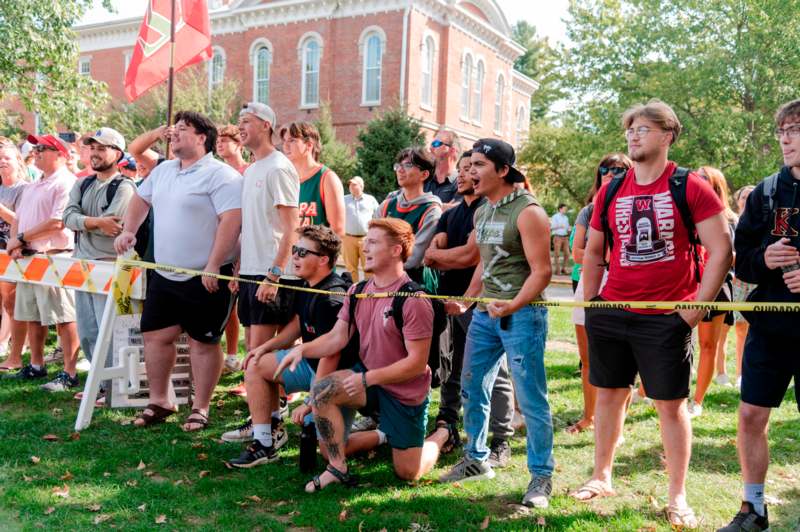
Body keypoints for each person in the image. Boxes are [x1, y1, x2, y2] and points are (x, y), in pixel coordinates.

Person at [573, 100, 731, 530]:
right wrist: (593, 300)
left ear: (667, 135)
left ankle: (677, 496)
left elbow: (722, 248)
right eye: (630, 129)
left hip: (666, 317)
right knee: (608, 394)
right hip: (613, 309)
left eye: (643, 128)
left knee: (670, 406)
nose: (633, 136)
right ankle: (601, 476)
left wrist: (694, 310)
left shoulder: (688, 186)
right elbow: (594, 249)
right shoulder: (612, 189)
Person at [274, 218, 453, 491]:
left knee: (408, 472)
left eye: (372, 242)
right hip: (369, 382)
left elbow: (416, 364)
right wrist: (302, 348)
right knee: (323, 390)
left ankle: (442, 433)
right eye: (365, 241)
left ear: (395, 250)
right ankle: (337, 468)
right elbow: (337, 337)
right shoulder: (357, 291)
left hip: (404, 391)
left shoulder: (414, 300)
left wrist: (367, 378)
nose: (364, 248)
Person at [439, 139, 555, 510]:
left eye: (479, 165)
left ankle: (541, 475)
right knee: (472, 385)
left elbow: (543, 271)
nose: (470, 171)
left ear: (503, 171)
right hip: (486, 316)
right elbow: (482, 265)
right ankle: (476, 458)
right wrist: (470, 300)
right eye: (468, 164)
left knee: (532, 398)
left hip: (523, 315)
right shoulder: (482, 211)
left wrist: (514, 305)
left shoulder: (529, 212)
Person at [114, 111, 242, 431]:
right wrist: (129, 230)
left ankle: (200, 407)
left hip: (207, 274)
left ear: (202, 138)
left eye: (183, 130)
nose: (174, 134)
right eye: (174, 130)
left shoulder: (221, 175)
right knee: (156, 336)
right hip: (163, 272)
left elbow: (231, 221)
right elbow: (141, 201)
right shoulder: (163, 170)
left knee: (203, 341)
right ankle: (160, 401)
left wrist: (214, 265)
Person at [228, 225, 381, 466]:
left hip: (337, 374)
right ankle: (264, 443)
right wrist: (265, 347)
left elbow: (332, 354)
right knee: (256, 364)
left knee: (328, 450)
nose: (295, 257)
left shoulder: (332, 298)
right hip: (311, 365)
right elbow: (298, 324)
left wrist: (311, 401)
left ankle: (384, 435)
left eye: (302, 252)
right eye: (295, 250)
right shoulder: (305, 283)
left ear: (323, 260)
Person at [718, 99, 800, 532]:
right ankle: (754, 509)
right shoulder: (768, 192)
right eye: (781, 130)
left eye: (795, 128)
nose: (785, 138)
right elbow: (740, 261)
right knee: (751, 416)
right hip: (770, 326)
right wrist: (764, 258)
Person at [422, 150, 515, 467]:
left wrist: (446, 255)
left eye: (470, 168)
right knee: (451, 366)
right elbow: (431, 253)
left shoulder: (488, 210)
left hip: (479, 302)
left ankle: (501, 440)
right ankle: (447, 423)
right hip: (449, 301)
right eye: (460, 169)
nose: (462, 175)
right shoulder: (450, 214)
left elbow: (469, 257)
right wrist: (447, 254)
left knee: (494, 372)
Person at [63, 127, 136, 402]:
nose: (94, 153)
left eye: (101, 148)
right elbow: (68, 216)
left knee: (111, 329)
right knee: (88, 329)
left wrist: (83, 221)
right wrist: (93, 223)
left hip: (109, 268)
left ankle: (115, 386)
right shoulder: (82, 184)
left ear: (117, 154)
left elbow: (113, 223)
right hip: (82, 266)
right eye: (91, 147)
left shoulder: (125, 187)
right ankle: (100, 383)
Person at [4, 134, 81, 392]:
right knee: (32, 314)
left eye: (43, 148)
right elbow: (19, 217)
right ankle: (36, 365)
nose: (36, 152)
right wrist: (15, 241)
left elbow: (58, 222)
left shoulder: (66, 182)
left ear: (60, 154)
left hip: (56, 255)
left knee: (64, 315)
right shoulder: (33, 184)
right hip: (29, 256)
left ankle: (69, 372)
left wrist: (21, 238)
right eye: (35, 148)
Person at [567, 153, 632, 434]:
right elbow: (577, 253)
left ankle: (619, 422)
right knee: (589, 359)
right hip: (589, 284)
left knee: (624, 361)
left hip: (627, 286)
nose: (610, 173)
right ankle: (588, 416)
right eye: (605, 168)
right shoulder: (589, 210)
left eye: (619, 169)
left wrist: (601, 255)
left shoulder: (635, 206)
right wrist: (605, 255)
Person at [236, 102, 300, 354]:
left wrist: (273, 275)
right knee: (253, 351)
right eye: (239, 121)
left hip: (273, 273)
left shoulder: (279, 168)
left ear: (265, 125)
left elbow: (292, 228)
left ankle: (277, 395)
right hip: (251, 272)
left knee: (261, 355)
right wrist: (241, 266)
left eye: (247, 121)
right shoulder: (251, 169)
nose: (240, 126)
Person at [689, 166, 737, 417]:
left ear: (716, 185)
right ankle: (649, 390)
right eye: (695, 176)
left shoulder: (730, 219)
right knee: (670, 339)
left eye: (703, 177)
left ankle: (697, 401)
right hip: (684, 283)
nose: (697, 180)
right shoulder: (685, 212)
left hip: (717, 285)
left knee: (708, 345)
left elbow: (737, 257)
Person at [377, 147, 442, 283]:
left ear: (424, 174)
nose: (400, 170)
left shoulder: (431, 210)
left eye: (408, 165)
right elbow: (371, 244)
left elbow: (414, 257)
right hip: (381, 278)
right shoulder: (386, 206)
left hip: (412, 284)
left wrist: (380, 260)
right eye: (398, 165)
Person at [215, 124, 248, 374]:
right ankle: (224, 353)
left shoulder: (248, 171)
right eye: (218, 141)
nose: (220, 144)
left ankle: (236, 355)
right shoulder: (216, 173)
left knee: (240, 306)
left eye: (226, 140)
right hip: (219, 243)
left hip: (245, 243)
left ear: (239, 144)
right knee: (225, 304)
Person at [279, 121, 345, 236]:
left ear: (309, 145)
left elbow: (338, 230)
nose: (285, 145)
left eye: (292, 140)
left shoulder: (327, 178)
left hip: (315, 252)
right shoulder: (284, 178)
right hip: (288, 252)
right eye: (284, 141)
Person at [0, 138, 29, 372]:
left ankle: (15, 351)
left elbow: (20, 221)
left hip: (13, 251)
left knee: (12, 302)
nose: (2, 162)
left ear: (17, 161)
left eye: (6, 158)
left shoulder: (24, 189)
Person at [728, 185, 756, 390]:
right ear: (738, 200)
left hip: (759, 279)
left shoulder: (761, 219)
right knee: (740, 329)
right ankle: (739, 373)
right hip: (739, 280)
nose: (746, 200)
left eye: (750, 197)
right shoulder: (733, 222)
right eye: (743, 197)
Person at [342, 176, 378, 281]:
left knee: (369, 267)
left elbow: (378, 217)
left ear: (361, 186)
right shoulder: (343, 199)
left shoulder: (370, 200)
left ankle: (369, 292)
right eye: (350, 185)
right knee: (350, 268)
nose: (351, 187)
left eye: (354, 184)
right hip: (348, 238)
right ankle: (353, 293)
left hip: (366, 238)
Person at [425, 129, 461, 205]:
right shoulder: (424, 179)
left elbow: (454, 213)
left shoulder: (461, 183)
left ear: (452, 150)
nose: (430, 148)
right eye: (431, 144)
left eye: (436, 144)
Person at [550, 204, 571, 275]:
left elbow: (567, 227)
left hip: (565, 237)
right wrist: (559, 226)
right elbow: (552, 227)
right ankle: (557, 270)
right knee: (557, 254)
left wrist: (569, 229)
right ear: (560, 209)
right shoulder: (555, 217)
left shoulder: (566, 218)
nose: (565, 210)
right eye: (564, 209)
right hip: (557, 237)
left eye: (566, 209)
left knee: (567, 254)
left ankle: (564, 268)